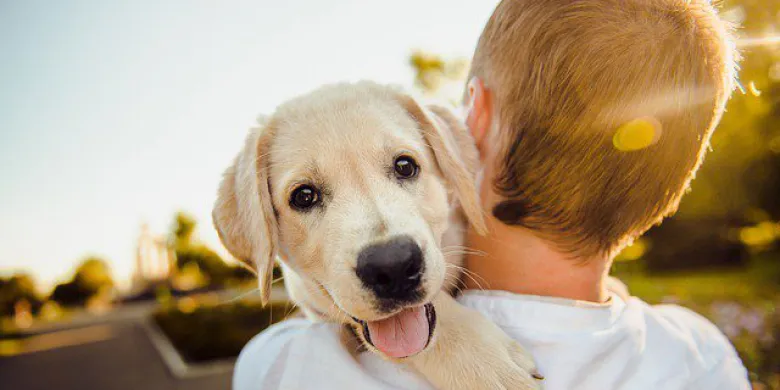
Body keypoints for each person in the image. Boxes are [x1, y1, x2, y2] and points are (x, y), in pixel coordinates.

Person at [233, 0, 751, 389]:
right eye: (305, 197)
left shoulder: (282, 366)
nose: (386, 245)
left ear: (471, 120)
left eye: (404, 167)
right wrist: (441, 335)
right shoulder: (703, 357)